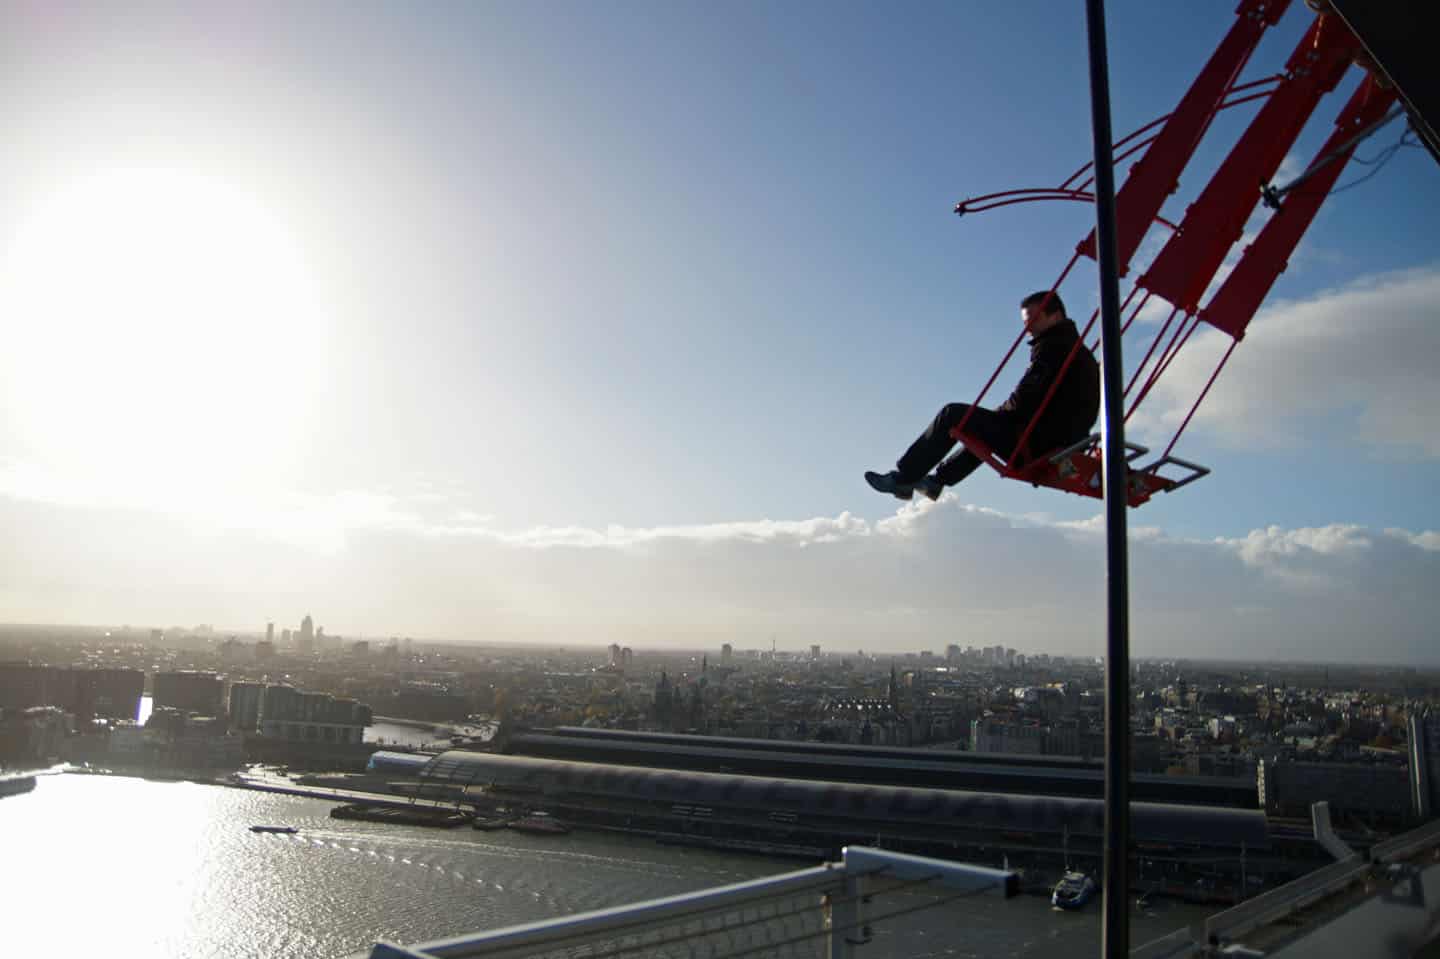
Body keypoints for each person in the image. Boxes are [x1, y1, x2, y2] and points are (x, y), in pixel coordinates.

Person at [865, 290, 1100, 501]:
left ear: (1055, 316)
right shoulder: (1078, 351)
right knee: (983, 427)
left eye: (1033, 320)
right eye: (1025, 322)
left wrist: (999, 414)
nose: (1027, 328)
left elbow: (1026, 398)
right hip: (1058, 441)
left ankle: (904, 478)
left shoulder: (1054, 347)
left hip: (1039, 445)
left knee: (954, 414)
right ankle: (937, 481)